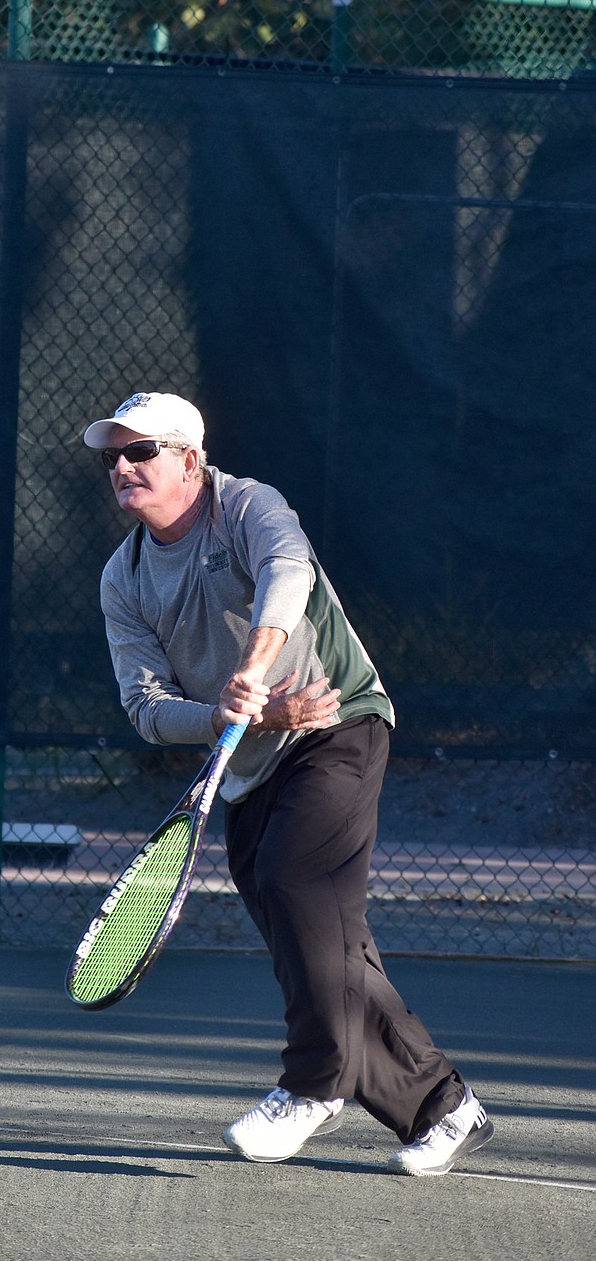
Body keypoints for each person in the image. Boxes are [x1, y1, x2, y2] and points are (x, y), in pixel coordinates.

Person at [83, 390, 495, 1177]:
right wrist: (223, 716)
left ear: (189, 460)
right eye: (113, 458)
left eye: (142, 452)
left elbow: (288, 569)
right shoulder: (123, 576)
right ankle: (444, 1106)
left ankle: (312, 1083)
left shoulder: (246, 506)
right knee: (321, 938)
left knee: (293, 881)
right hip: (246, 762)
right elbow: (144, 706)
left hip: (337, 725)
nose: (123, 467)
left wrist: (256, 665)